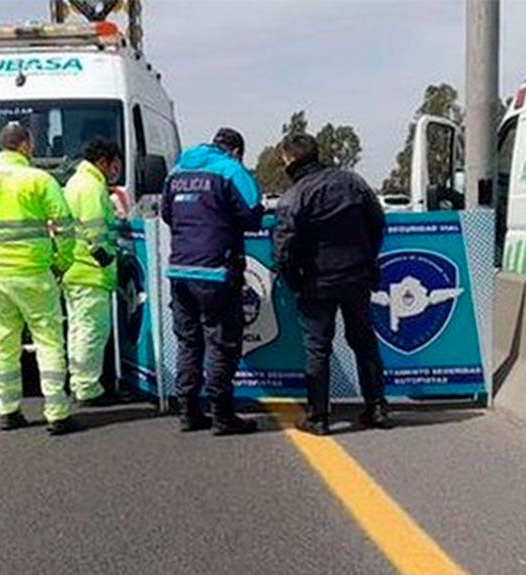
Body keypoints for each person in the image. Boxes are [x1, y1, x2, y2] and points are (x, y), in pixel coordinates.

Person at [0, 122, 78, 435]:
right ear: (25, 145)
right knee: (48, 341)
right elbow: (64, 226)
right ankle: (57, 413)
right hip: (35, 275)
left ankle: (8, 409)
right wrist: (60, 262)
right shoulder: (40, 180)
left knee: (3, 345)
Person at [271, 132, 393, 436]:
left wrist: (294, 281)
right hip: (356, 277)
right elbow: (378, 223)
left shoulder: (293, 196)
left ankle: (318, 417)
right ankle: (377, 407)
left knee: (317, 349)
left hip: (317, 282)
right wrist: (366, 259)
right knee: (364, 343)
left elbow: (282, 250)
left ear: (290, 159)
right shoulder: (352, 182)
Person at [161, 128, 264, 435]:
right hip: (216, 271)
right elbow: (253, 215)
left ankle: (188, 412)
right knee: (221, 343)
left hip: (179, 270)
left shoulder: (177, 171)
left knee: (189, 342)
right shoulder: (231, 170)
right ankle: (221, 415)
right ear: (235, 151)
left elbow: (167, 214)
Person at [62, 138, 123, 407]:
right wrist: (109, 257)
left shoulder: (76, 182)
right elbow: (96, 231)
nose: (115, 171)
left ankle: (79, 382)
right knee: (93, 331)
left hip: (74, 270)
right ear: (103, 161)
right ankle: (88, 388)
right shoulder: (91, 187)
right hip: (91, 272)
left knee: (78, 330)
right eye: (114, 165)